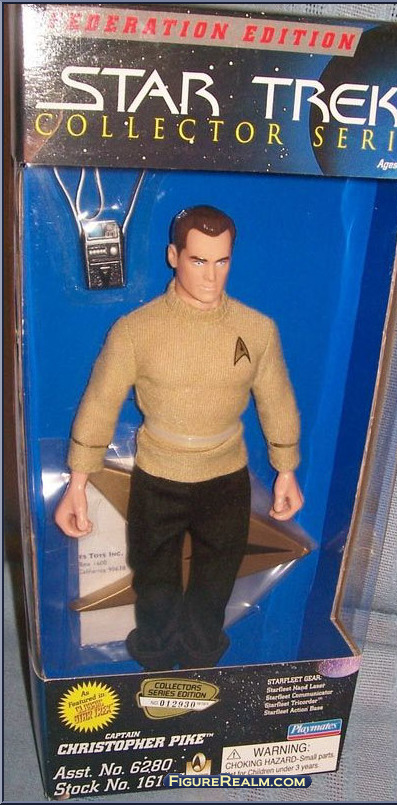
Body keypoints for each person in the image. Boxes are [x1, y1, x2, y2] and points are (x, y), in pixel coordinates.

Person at [55, 205, 303, 670]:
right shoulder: (136, 331)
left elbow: (277, 400)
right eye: (198, 260)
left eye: (222, 261)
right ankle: (154, 659)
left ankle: (201, 660)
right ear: (174, 256)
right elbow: (100, 403)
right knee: (154, 579)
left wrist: (286, 469)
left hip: (225, 479)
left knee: (216, 578)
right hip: (158, 479)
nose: (211, 275)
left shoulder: (256, 329)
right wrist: (78, 482)